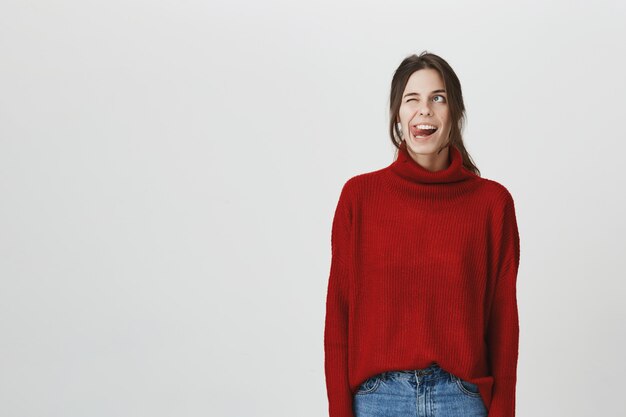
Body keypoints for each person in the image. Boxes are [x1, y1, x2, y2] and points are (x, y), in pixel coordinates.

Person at [323, 51, 521, 417]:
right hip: (378, 400)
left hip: (461, 399)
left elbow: (503, 320)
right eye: (411, 100)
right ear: (398, 115)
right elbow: (339, 313)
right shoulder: (359, 197)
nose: (424, 110)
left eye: (438, 98)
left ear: (456, 113)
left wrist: (503, 411)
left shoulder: (492, 204)